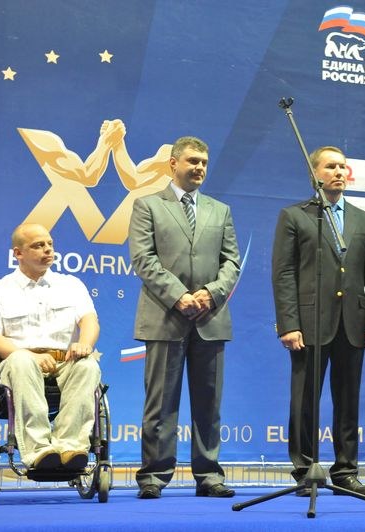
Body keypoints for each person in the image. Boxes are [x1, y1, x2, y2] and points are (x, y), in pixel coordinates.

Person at [129, 136, 241, 499]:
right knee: (160, 402)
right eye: (193, 161)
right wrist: (179, 296)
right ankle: (154, 476)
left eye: (204, 163)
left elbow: (231, 262)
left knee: (209, 403)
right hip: (165, 317)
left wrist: (211, 293)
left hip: (211, 318)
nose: (200, 168)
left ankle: (209, 475)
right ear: (172, 165)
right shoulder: (147, 205)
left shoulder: (219, 210)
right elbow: (144, 259)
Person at [272, 146, 365, 496]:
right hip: (308, 324)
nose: (338, 172)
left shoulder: (364, 220)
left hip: (352, 322)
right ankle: (305, 469)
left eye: (343, 167)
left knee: (348, 402)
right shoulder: (295, 216)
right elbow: (284, 273)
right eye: (330, 166)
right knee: (304, 401)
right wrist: (289, 323)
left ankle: (346, 471)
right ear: (315, 173)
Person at [0, 223, 101, 471]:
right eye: (38, 246)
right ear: (18, 253)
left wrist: (84, 344)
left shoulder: (71, 285)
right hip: (17, 362)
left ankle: (70, 449)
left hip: (64, 362)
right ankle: (40, 452)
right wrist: (28, 355)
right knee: (22, 362)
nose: (47, 250)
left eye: (50, 244)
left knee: (87, 366)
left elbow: (90, 321)